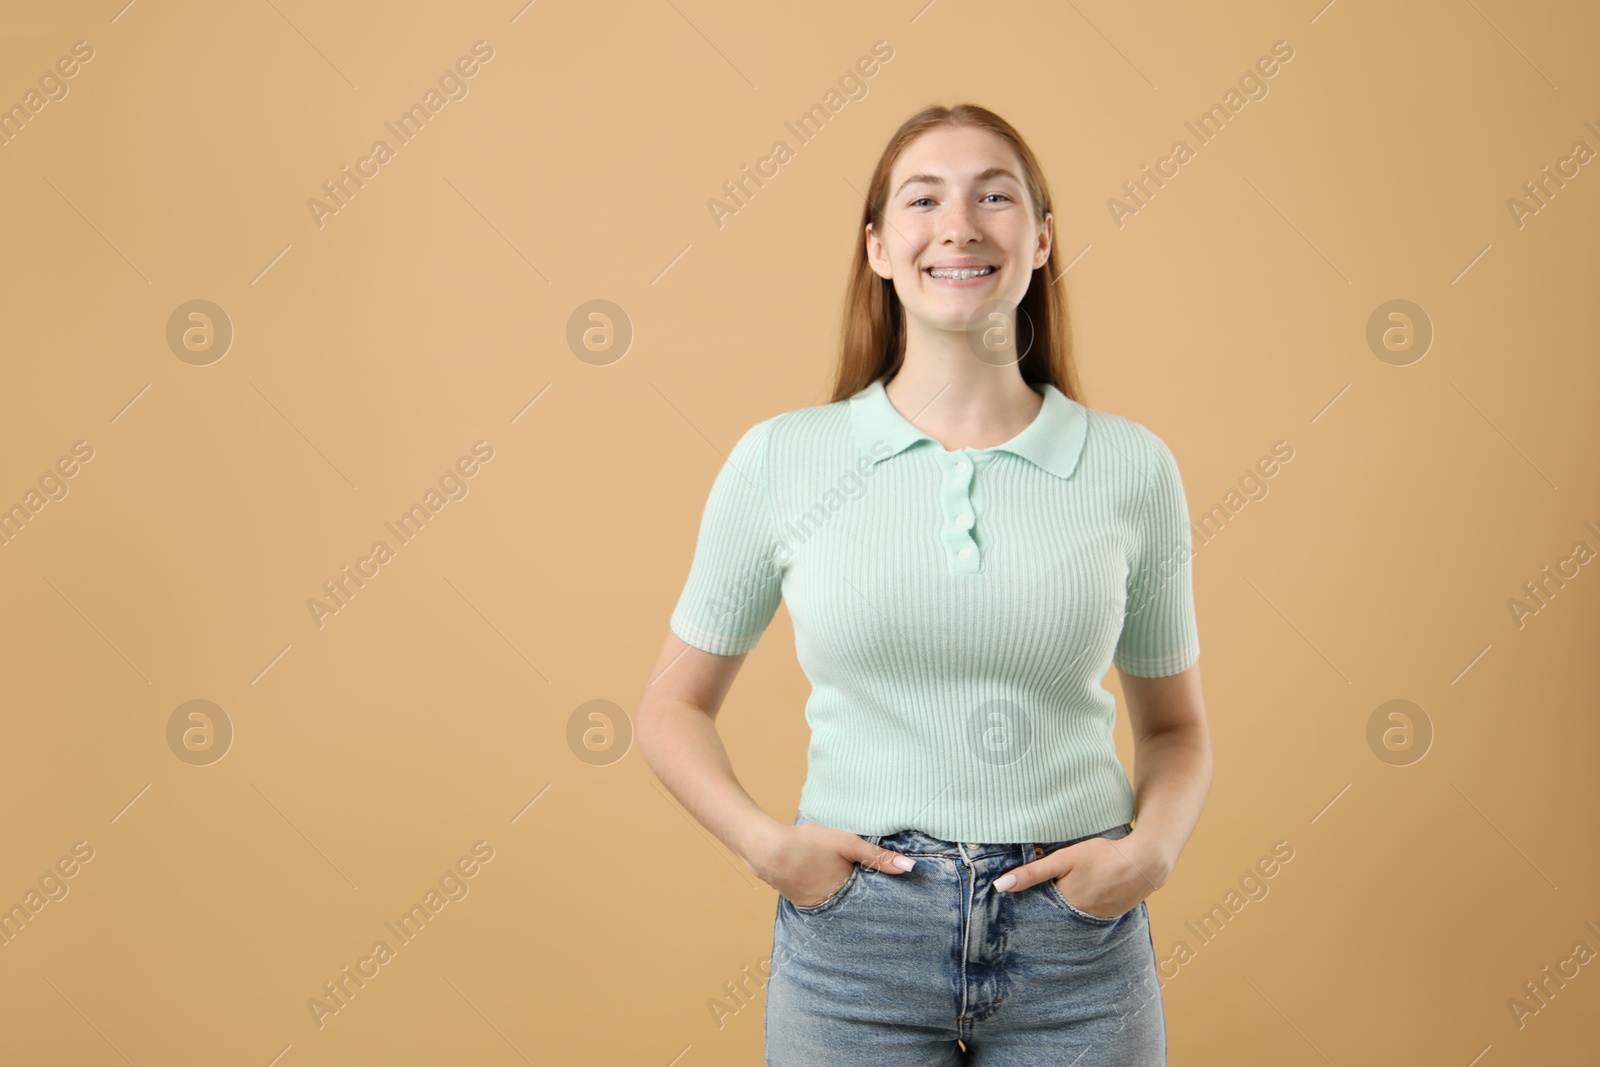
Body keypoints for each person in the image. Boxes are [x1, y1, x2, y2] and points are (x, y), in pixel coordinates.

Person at [638, 103, 1211, 1066]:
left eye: (995, 195)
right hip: (856, 945)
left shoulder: (1131, 467)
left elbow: (1175, 728)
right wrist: (769, 847)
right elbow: (669, 707)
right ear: (877, 246)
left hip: (1077, 944)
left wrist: (1151, 852)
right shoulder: (785, 459)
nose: (960, 225)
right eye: (923, 198)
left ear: (1040, 237)